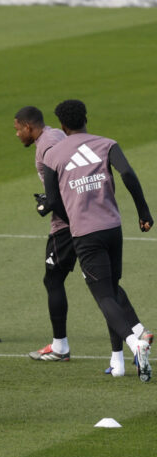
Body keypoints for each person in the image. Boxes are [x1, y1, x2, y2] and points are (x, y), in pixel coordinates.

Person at [40, 99, 153, 381]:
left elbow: (53, 201)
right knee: (112, 290)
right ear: (85, 118)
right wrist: (144, 212)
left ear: (63, 125)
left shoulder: (53, 154)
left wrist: (56, 211)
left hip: (85, 233)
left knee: (103, 295)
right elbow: (127, 173)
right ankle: (118, 363)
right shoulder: (107, 144)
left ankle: (133, 342)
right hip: (112, 227)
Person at [13, 106, 75, 362]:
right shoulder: (56, 135)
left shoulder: (46, 146)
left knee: (53, 280)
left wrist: (50, 203)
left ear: (28, 127)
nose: (17, 135)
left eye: (18, 129)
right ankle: (135, 333)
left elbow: (62, 178)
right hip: (81, 215)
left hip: (67, 223)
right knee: (102, 282)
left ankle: (60, 347)